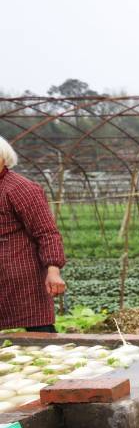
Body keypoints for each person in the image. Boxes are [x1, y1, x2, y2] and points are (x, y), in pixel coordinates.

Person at [0, 135, 67, 333]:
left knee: (40, 334)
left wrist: (53, 271)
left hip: (22, 277)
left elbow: (47, 233)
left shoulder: (20, 189)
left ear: (3, 158)